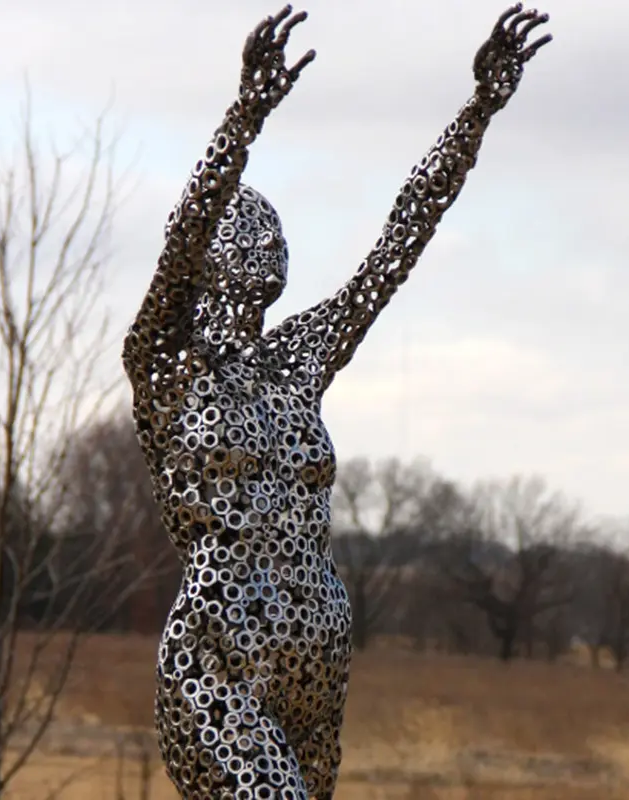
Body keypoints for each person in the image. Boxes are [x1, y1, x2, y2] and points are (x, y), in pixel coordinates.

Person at [122, 5, 552, 798]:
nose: (269, 244)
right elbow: (180, 240)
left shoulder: (297, 363)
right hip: (219, 667)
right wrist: (244, 119)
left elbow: (398, 243)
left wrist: (478, 111)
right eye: (246, 233)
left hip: (317, 672)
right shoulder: (166, 365)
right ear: (209, 253)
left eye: (276, 234)